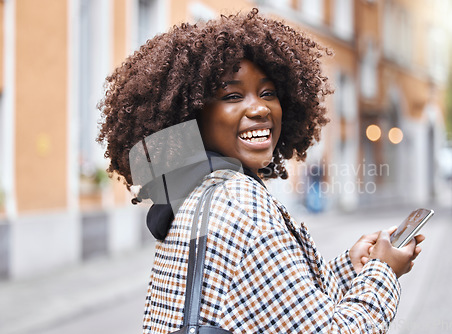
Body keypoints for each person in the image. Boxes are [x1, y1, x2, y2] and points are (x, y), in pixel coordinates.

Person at [97, 8, 424, 333]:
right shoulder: (241, 203)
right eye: (233, 95)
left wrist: (349, 269)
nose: (259, 108)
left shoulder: (189, 193)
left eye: (268, 93)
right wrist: (383, 270)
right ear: (193, 114)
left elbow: (271, 303)